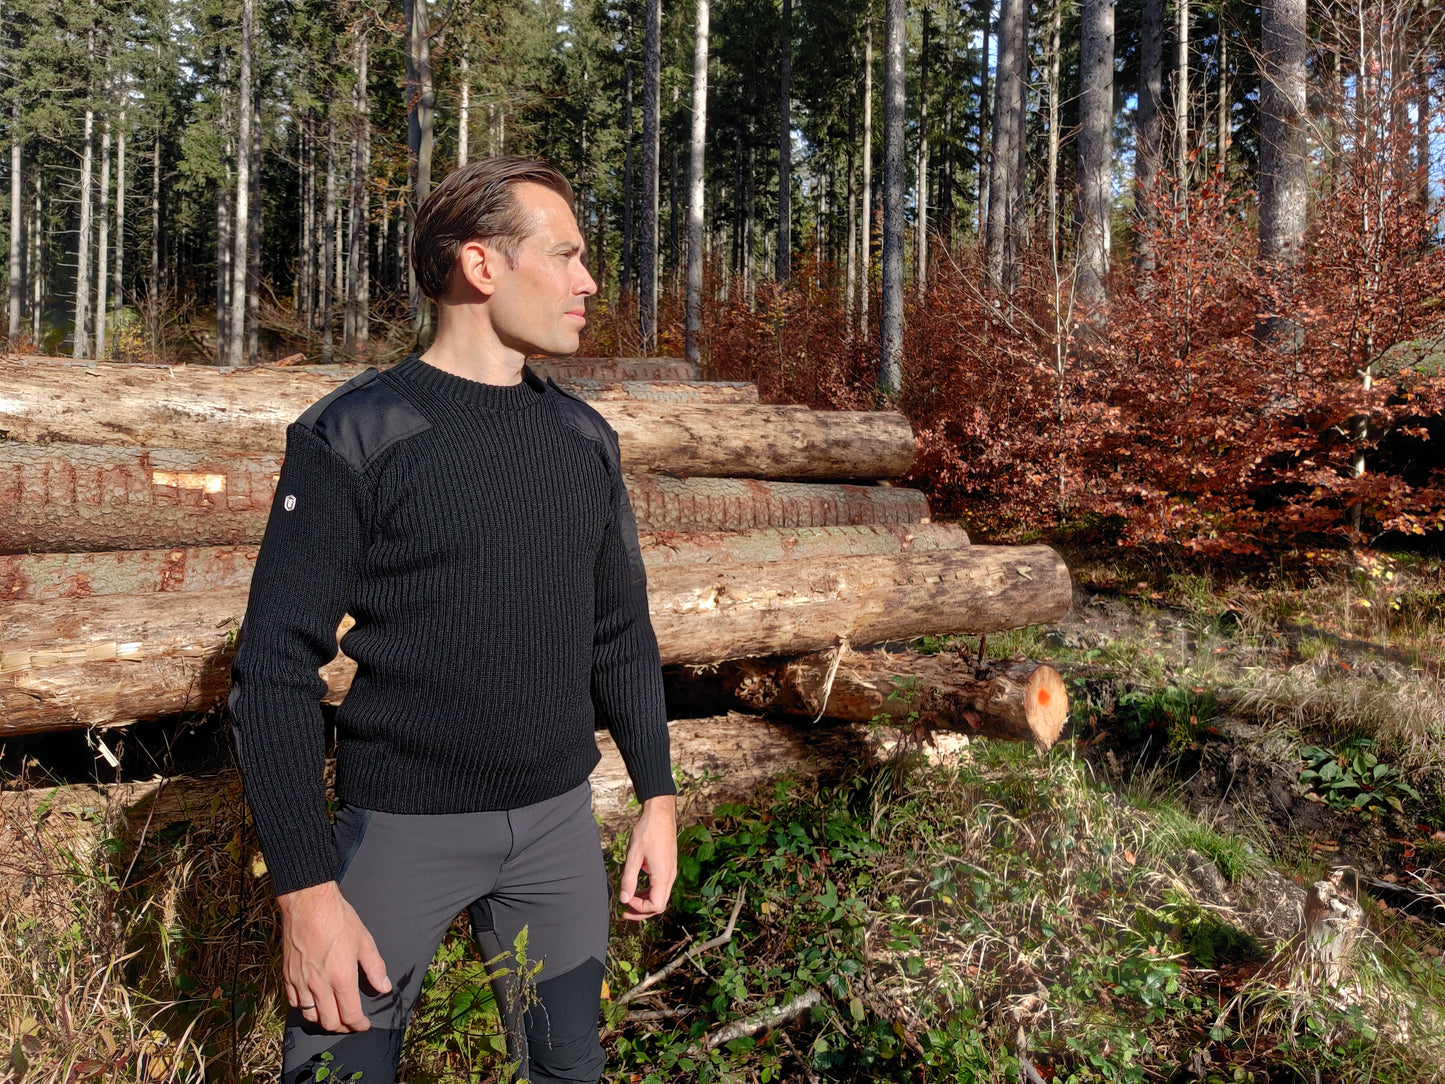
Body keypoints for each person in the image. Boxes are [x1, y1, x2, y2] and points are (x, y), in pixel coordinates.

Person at [229, 155, 677, 1084]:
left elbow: (620, 633)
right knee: (336, 1074)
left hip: (557, 831)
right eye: (566, 255)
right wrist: (306, 896)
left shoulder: (581, 439)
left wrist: (657, 798)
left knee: (569, 1069)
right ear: (482, 266)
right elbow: (272, 667)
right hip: (399, 832)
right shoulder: (354, 434)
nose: (588, 280)